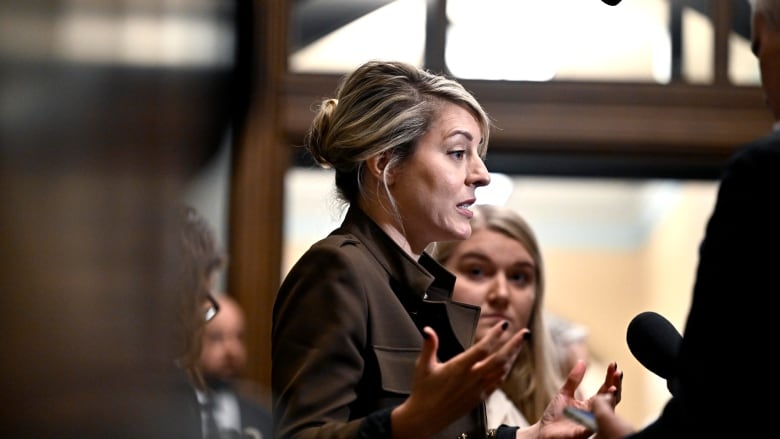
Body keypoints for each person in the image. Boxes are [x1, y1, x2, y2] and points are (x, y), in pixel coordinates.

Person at [272, 59, 621, 439]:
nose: (481, 174)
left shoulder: (418, 288)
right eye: (458, 153)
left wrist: (530, 436)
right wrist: (407, 422)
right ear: (386, 162)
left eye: (477, 155)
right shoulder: (337, 269)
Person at [590, 0, 780, 437]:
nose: (757, 63)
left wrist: (614, 430)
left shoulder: (764, 177)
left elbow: (713, 399)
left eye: (759, 46)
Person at [429, 204, 622, 430]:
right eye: (476, 271)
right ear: (435, 280)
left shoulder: (553, 399)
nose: (501, 293)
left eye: (519, 277)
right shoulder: (405, 396)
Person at [199, 293, 273, 438]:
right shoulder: (168, 413)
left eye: (239, 337)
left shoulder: (265, 417)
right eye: (216, 337)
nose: (233, 350)